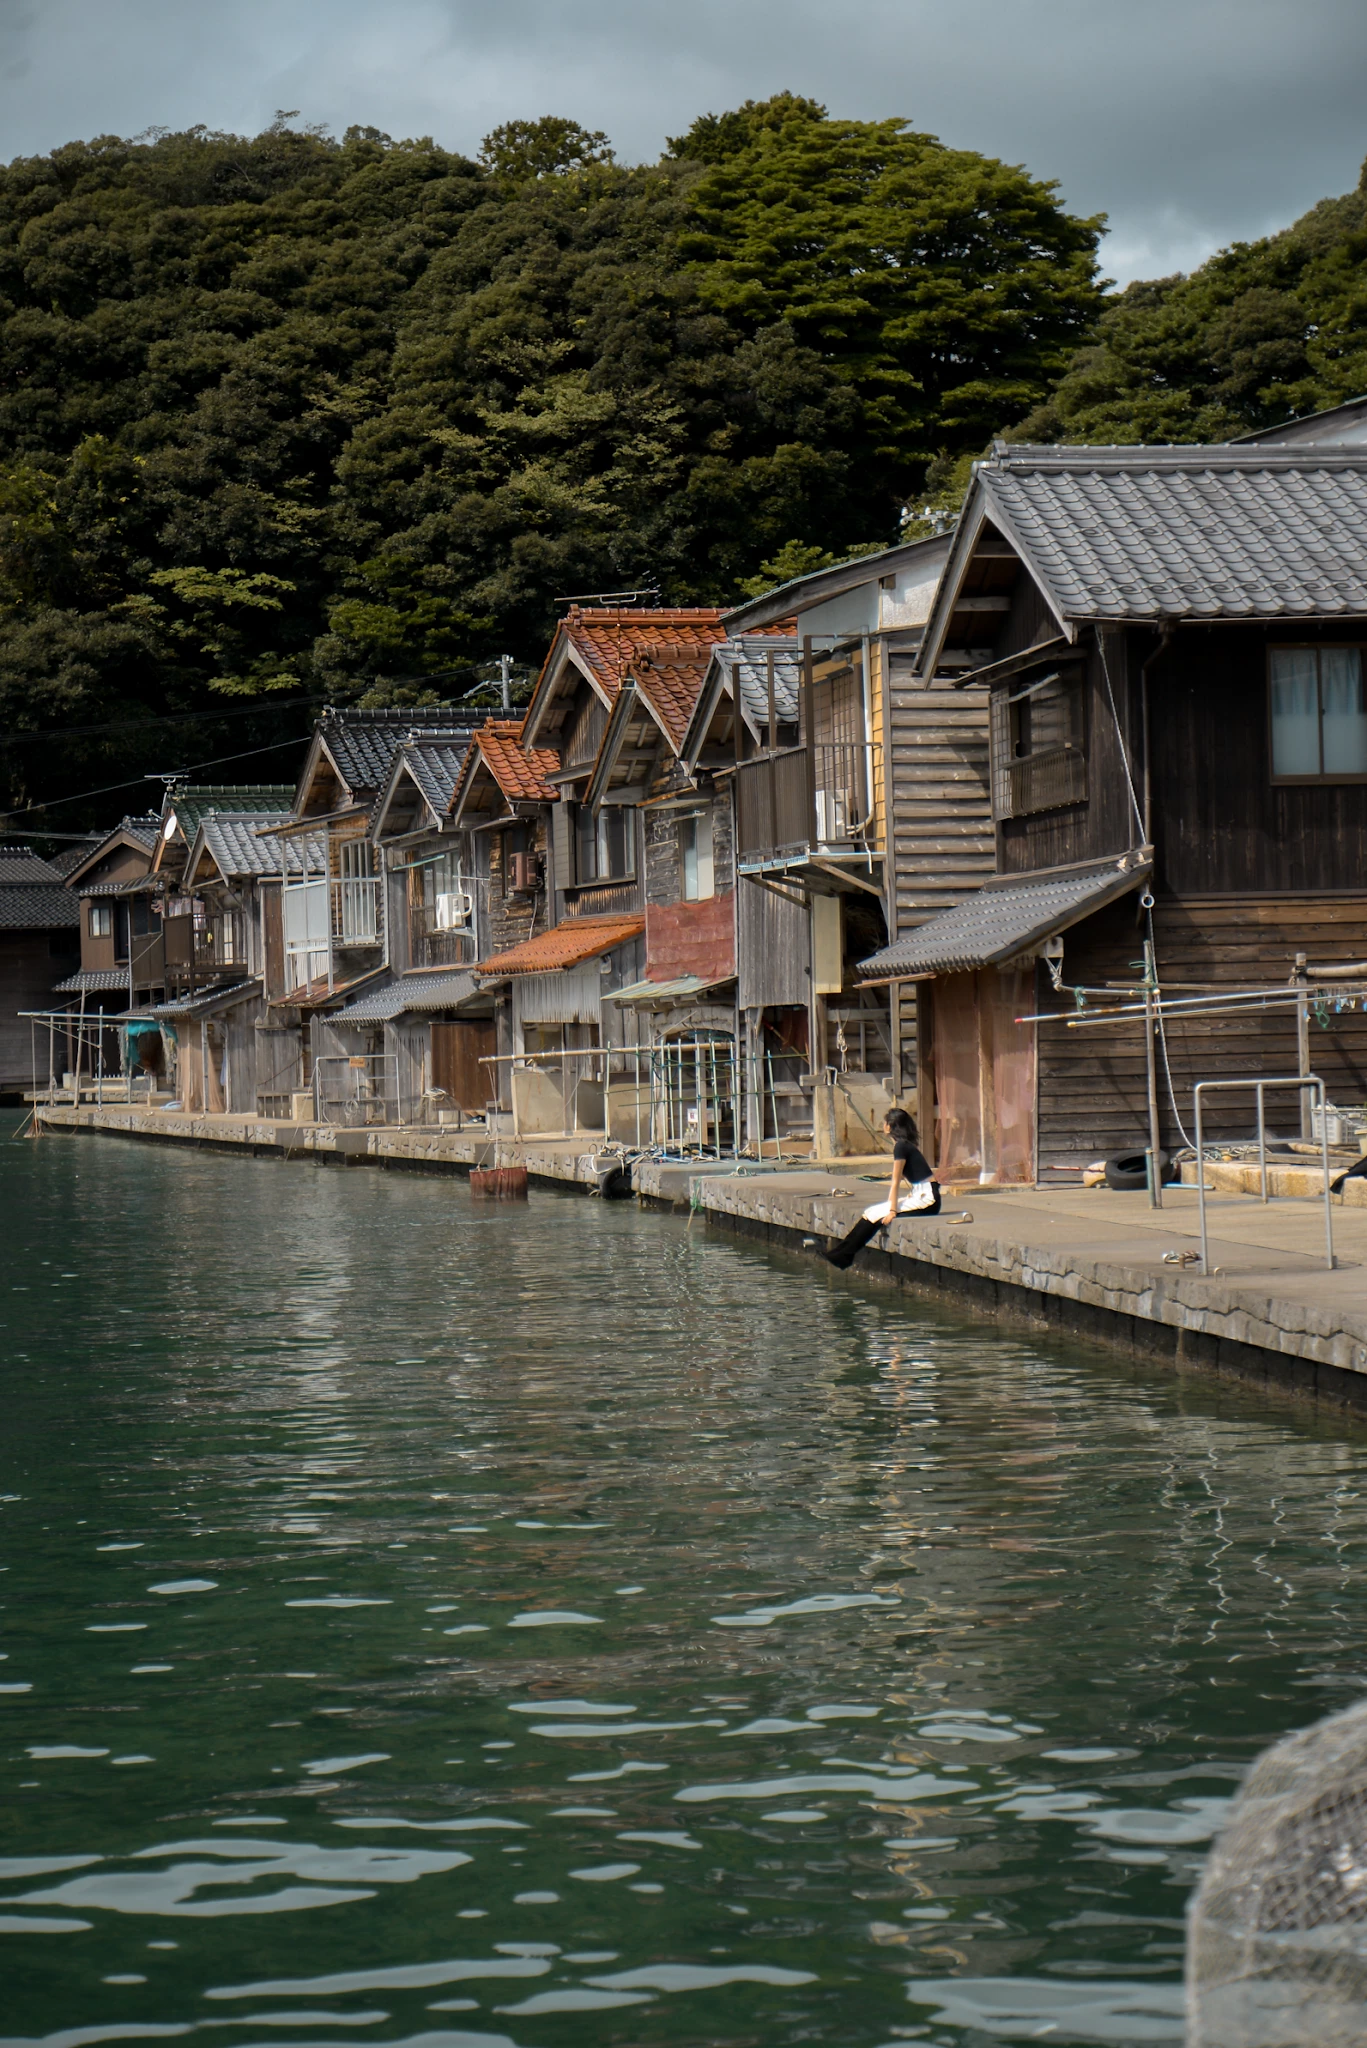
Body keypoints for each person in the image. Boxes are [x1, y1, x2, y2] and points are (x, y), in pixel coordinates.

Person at [824, 1108, 940, 1269]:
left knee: (879, 1214)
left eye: (885, 1122)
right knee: (871, 1212)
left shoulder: (901, 1147)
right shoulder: (903, 1146)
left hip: (928, 1200)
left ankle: (844, 1255)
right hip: (920, 1195)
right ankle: (842, 1253)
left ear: (891, 1126)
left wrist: (892, 1211)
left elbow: (895, 1181)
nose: (883, 1125)